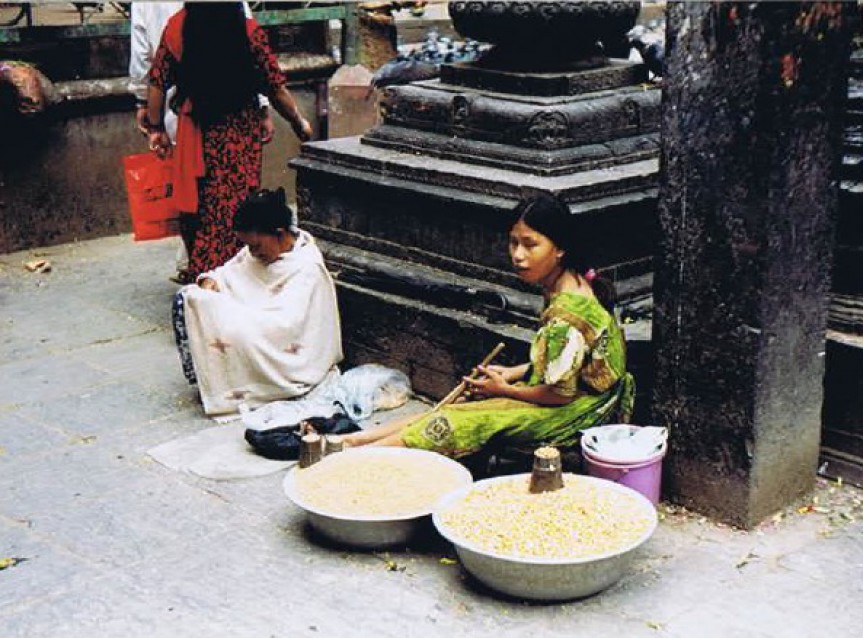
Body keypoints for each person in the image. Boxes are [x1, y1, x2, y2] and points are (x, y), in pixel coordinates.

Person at [341, 191, 635, 457]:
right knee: (458, 403)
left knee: (456, 419)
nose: (518, 255)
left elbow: (560, 394)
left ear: (559, 249)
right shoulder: (570, 282)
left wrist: (504, 389)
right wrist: (511, 372)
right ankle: (357, 441)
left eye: (530, 245)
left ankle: (359, 459)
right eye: (514, 242)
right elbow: (567, 364)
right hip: (574, 394)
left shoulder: (567, 314)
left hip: (577, 411)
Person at [146, 2, 311, 281]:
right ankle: (235, 279)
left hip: (196, 130)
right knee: (234, 207)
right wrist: (298, 122)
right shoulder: (247, 30)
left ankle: (204, 277)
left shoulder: (178, 26)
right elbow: (275, 87)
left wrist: (156, 128)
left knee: (199, 207)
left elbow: (157, 82)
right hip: (238, 134)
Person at [172, 188, 343, 416]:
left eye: (256, 246)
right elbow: (228, 272)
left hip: (282, 338)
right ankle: (207, 380)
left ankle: (245, 384)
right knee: (187, 298)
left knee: (233, 327)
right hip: (252, 314)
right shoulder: (253, 253)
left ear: (280, 234)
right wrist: (211, 282)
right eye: (248, 246)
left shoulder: (306, 267)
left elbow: (288, 323)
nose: (252, 252)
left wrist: (233, 314)